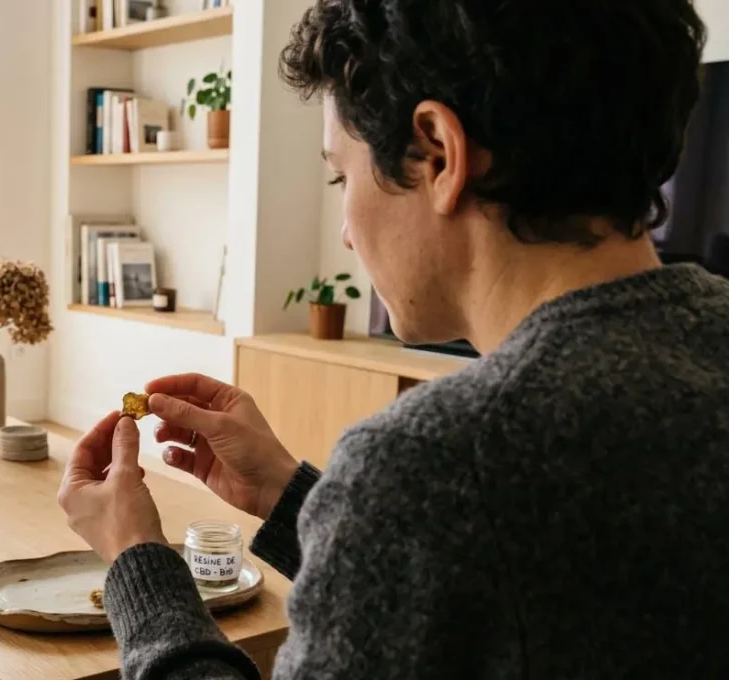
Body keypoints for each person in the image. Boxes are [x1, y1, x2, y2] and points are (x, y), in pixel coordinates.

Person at [57, 0, 729, 678]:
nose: (346, 232)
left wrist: (135, 558)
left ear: (439, 154)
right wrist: (297, 497)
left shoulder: (437, 461)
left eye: (341, 176)